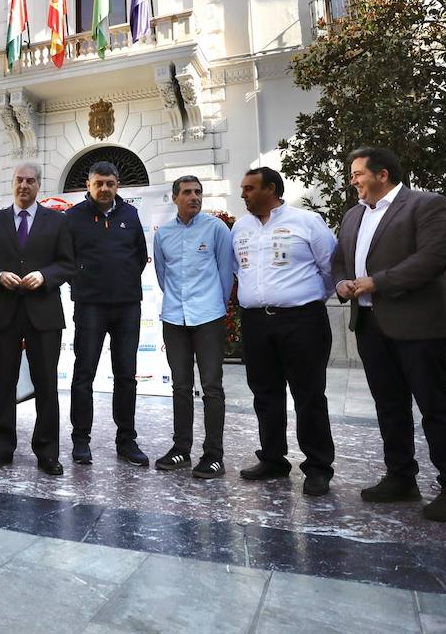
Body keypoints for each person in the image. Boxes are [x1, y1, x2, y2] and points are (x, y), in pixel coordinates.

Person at [332, 147, 446, 521]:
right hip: (369, 326)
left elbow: (434, 256)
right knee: (390, 406)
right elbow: (339, 262)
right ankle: (400, 477)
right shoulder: (352, 217)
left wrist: (377, 283)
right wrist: (342, 283)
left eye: (358, 173)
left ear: (382, 174)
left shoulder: (426, 205)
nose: (353, 181)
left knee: (435, 406)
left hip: (419, 325)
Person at [232, 166, 337, 496]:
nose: (243, 194)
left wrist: (304, 298)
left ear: (271, 189)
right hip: (256, 322)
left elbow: (332, 267)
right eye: (243, 188)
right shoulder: (241, 227)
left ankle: (318, 467)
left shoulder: (306, 222)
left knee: (308, 395)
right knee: (265, 394)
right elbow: (239, 270)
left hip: (302, 321)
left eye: (250, 188)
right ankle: (273, 459)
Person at [0, 162, 76, 476]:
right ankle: (1, 448)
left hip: (43, 314)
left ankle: (47, 453)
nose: (24, 186)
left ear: (38, 185)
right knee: (3, 382)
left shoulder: (57, 222)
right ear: (13, 183)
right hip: (5, 313)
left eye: (31, 181)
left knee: (46, 384)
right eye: (20, 180)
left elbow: (68, 264)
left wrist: (45, 276)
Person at [65, 161, 150, 467]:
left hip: (127, 306)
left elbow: (140, 256)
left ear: (117, 185)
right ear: (88, 186)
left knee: (126, 376)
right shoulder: (73, 217)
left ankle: (126, 440)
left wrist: (122, 281)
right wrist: (87, 283)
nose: (104, 188)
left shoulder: (131, 214)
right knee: (84, 374)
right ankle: (80, 440)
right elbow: (66, 258)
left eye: (110, 183)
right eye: (98, 183)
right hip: (90, 306)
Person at [152, 175, 234, 479]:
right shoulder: (163, 235)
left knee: (212, 387)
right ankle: (181, 450)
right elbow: (163, 276)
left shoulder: (216, 229)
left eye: (198, 192)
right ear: (175, 198)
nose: (194, 197)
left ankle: (214, 455)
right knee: (181, 387)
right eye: (187, 192)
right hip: (174, 318)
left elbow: (226, 274)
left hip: (208, 318)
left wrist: (213, 306)